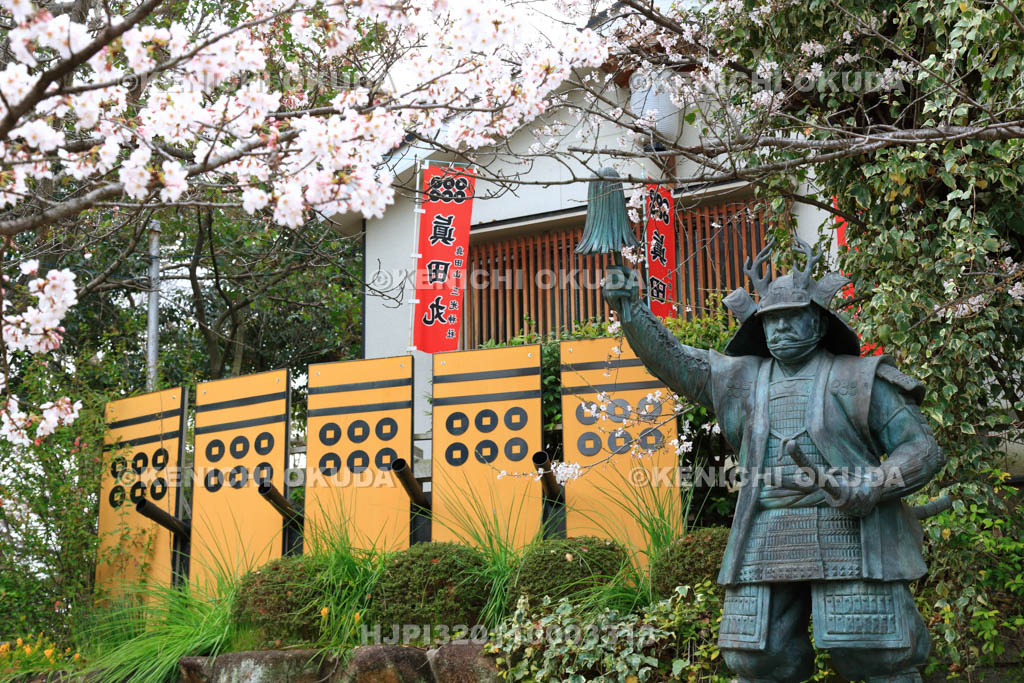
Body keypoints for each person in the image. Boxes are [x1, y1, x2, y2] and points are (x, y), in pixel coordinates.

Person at [602, 238, 944, 683]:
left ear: (818, 322)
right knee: (757, 658)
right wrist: (630, 308)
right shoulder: (739, 378)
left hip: (850, 527)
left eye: (792, 317)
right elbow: (675, 361)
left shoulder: (861, 377)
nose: (780, 328)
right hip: (767, 527)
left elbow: (922, 448)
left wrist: (873, 485)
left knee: (874, 652)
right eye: (771, 320)